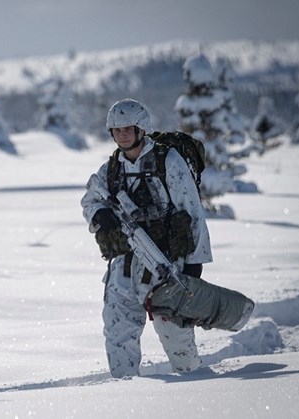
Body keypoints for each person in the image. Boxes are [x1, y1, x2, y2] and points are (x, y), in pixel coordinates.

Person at [80, 98, 213, 378]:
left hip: (167, 263)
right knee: (118, 332)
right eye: (116, 130)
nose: (122, 135)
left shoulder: (169, 162)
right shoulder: (112, 168)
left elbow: (193, 213)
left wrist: (194, 265)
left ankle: (197, 386)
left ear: (142, 129)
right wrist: (99, 215)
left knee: (175, 332)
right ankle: (125, 392)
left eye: (127, 128)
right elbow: (90, 198)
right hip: (125, 267)